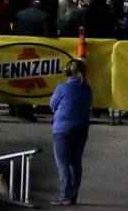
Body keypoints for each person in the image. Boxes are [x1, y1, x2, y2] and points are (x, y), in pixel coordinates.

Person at [50, 59, 92, 206]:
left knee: (62, 163)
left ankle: (64, 195)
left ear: (67, 72)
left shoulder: (62, 88)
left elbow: (52, 105)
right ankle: (73, 195)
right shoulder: (87, 89)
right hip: (81, 128)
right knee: (75, 162)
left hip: (62, 129)